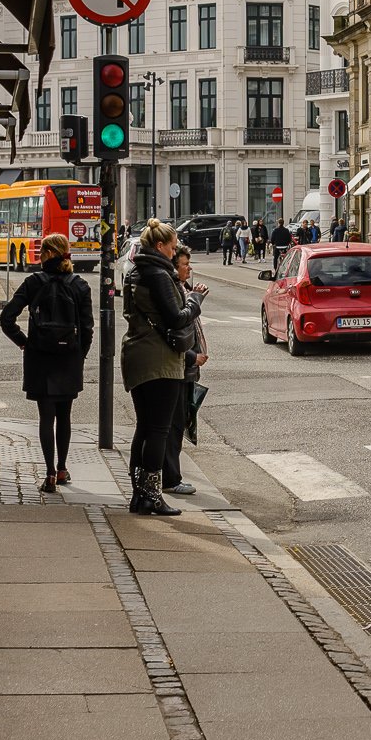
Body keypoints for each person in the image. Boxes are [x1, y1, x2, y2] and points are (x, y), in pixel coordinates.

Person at [121, 218, 204, 516]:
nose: (174, 252)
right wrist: (195, 300)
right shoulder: (158, 273)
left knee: (144, 427)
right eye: (171, 247)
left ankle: (139, 494)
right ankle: (151, 496)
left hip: (137, 354)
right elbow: (176, 317)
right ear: (159, 246)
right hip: (159, 359)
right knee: (158, 429)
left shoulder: (135, 271)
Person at [0, 233, 92, 493]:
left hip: (39, 357)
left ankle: (49, 473)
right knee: (65, 416)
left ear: (48, 254)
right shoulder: (79, 285)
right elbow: (88, 329)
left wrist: (24, 342)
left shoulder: (33, 282)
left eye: (42, 252)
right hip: (68, 359)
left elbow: (6, 318)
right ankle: (62, 468)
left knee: (45, 416)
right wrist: (78, 356)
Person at [162, 245, 209, 497]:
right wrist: (192, 357)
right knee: (174, 425)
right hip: (181, 366)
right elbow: (177, 329)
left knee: (177, 423)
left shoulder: (182, 290)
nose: (189, 268)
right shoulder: (177, 292)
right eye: (185, 264)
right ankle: (170, 477)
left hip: (186, 367)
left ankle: (167, 475)